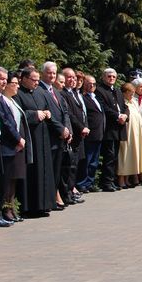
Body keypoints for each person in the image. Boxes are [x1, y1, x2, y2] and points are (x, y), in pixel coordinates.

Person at [15, 66, 56, 216]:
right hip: (30, 138)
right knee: (32, 173)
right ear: (24, 79)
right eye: (34, 80)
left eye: (38, 80)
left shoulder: (40, 92)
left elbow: (47, 107)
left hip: (43, 138)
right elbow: (18, 114)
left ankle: (45, 204)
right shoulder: (18, 94)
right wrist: (34, 114)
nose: (37, 83)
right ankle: (30, 207)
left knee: (45, 170)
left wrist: (47, 113)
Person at [0, 68, 31, 224]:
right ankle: (5, 210)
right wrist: (18, 138)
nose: (17, 86)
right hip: (9, 144)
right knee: (6, 180)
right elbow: (6, 122)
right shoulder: (2, 100)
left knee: (13, 179)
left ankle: (11, 208)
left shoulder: (13, 101)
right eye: (15, 83)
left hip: (17, 145)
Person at [39, 62, 71, 209]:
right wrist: (60, 130)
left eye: (54, 73)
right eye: (49, 73)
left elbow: (65, 112)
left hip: (61, 138)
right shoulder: (40, 91)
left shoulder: (57, 92)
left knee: (57, 170)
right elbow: (47, 114)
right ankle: (52, 199)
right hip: (50, 136)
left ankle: (55, 196)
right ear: (42, 73)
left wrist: (68, 130)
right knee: (50, 170)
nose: (52, 76)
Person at [95, 68, 129, 192]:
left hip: (119, 128)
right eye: (109, 76)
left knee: (115, 157)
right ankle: (106, 182)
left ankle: (112, 180)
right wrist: (117, 116)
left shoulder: (118, 91)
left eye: (114, 77)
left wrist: (125, 115)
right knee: (109, 156)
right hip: (109, 129)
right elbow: (103, 107)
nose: (111, 78)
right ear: (104, 77)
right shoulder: (100, 90)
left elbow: (124, 106)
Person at [60, 68, 87, 203]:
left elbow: (82, 113)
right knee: (69, 166)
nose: (72, 80)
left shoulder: (74, 93)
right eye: (69, 77)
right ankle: (67, 194)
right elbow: (70, 114)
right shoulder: (63, 94)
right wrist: (81, 127)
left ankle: (71, 191)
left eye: (74, 78)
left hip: (78, 135)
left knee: (74, 165)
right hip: (71, 133)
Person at [117, 82, 142, 188]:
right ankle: (122, 180)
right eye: (130, 93)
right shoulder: (122, 102)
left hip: (136, 133)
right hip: (127, 132)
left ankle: (130, 178)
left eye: (133, 93)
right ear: (124, 93)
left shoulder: (133, 102)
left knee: (134, 155)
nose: (132, 95)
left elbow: (138, 116)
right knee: (125, 155)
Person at [78, 74, 105, 192]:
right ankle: (82, 184)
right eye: (89, 83)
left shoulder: (96, 97)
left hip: (99, 133)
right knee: (87, 161)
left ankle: (90, 183)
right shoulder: (83, 97)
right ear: (84, 84)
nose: (92, 86)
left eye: (94, 84)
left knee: (94, 162)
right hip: (90, 134)